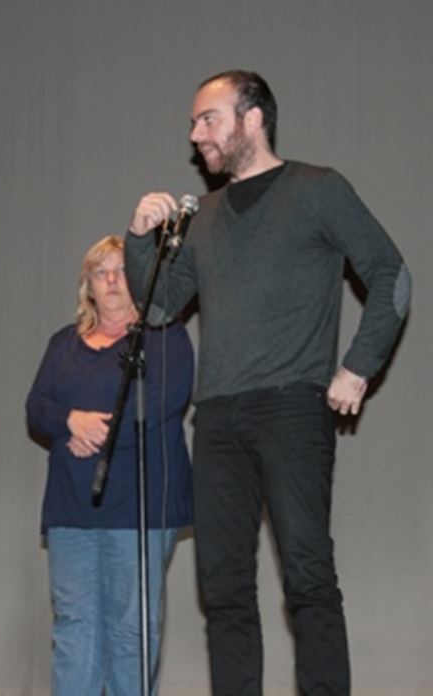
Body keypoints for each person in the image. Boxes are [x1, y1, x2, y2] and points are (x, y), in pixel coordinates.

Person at [125, 70, 411, 695]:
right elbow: (158, 307)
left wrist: (359, 365)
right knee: (223, 589)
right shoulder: (204, 220)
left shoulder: (318, 189)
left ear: (252, 118)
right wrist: (140, 240)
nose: (196, 133)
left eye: (208, 118)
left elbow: (391, 274)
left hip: (292, 410)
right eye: (194, 122)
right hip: (219, 420)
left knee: (308, 578)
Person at [26, 235, 194, 695]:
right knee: (74, 629)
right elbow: (36, 407)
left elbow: (167, 398)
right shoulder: (63, 343)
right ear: (89, 287)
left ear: (140, 280)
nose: (113, 280)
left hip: (138, 508)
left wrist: (97, 434)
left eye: (122, 270)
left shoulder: (166, 336)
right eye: (102, 273)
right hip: (71, 509)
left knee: (131, 630)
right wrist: (69, 421)